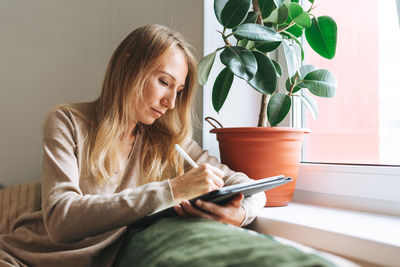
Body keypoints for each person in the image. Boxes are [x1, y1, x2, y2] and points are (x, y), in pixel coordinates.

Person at [0, 24, 266, 267]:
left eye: (179, 90)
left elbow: (254, 188)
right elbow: (61, 220)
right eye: (164, 82)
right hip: (18, 258)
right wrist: (172, 190)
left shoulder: (169, 143)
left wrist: (239, 214)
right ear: (128, 66)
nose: (171, 102)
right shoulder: (66, 121)